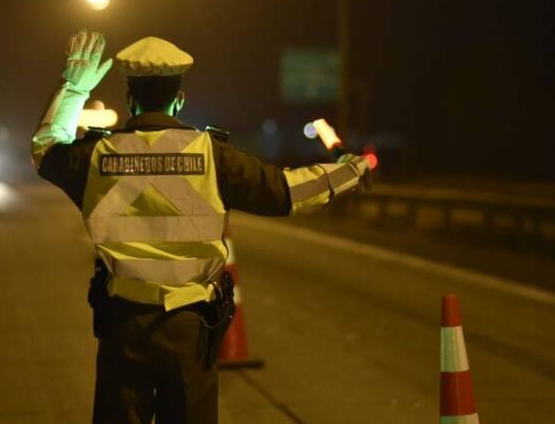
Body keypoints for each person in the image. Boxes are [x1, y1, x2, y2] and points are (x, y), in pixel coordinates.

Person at [31, 30, 371, 424]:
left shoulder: (94, 156)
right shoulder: (213, 156)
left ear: (129, 101)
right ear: (179, 99)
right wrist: (351, 170)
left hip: (122, 326)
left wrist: (74, 88)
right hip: (190, 329)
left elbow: (46, 148)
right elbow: (287, 191)